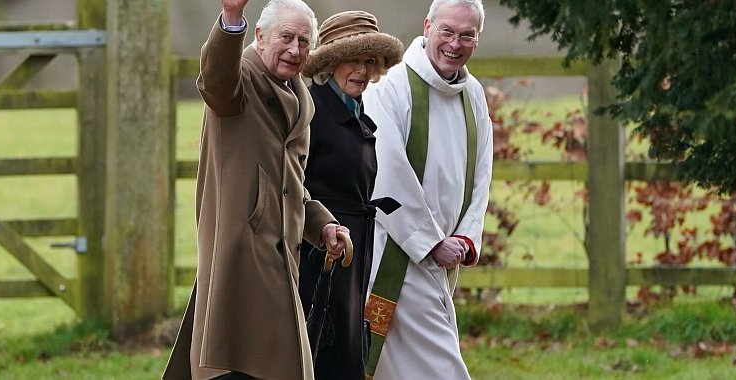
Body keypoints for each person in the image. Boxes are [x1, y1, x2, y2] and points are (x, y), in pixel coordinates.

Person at [162, 0, 350, 379]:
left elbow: (290, 185)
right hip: (240, 258)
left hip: (281, 258)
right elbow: (215, 79)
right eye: (286, 37)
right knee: (237, 364)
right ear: (260, 37)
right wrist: (231, 19)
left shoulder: (299, 98)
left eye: (304, 40)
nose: (295, 49)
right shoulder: (239, 81)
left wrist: (323, 226)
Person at [361, 0, 493, 379]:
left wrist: (466, 239)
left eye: (467, 35)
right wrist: (432, 242)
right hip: (397, 257)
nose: (455, 43)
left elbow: (482, 173)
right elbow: (384, 172)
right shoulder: (391, 86)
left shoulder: (474, 95)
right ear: (427, 27)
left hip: (443, 260)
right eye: (447, 31)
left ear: (477, 39)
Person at [295, 10, 403, 380]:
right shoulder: (313, 109)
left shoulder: (356, 109)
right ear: (331, 63)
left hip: (354, 249)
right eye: (351, 60)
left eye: (368, 61)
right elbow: (295, 179)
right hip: (321, 251)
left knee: (348, 351)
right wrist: (322, 230)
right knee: (325, 351)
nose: (361, 70)